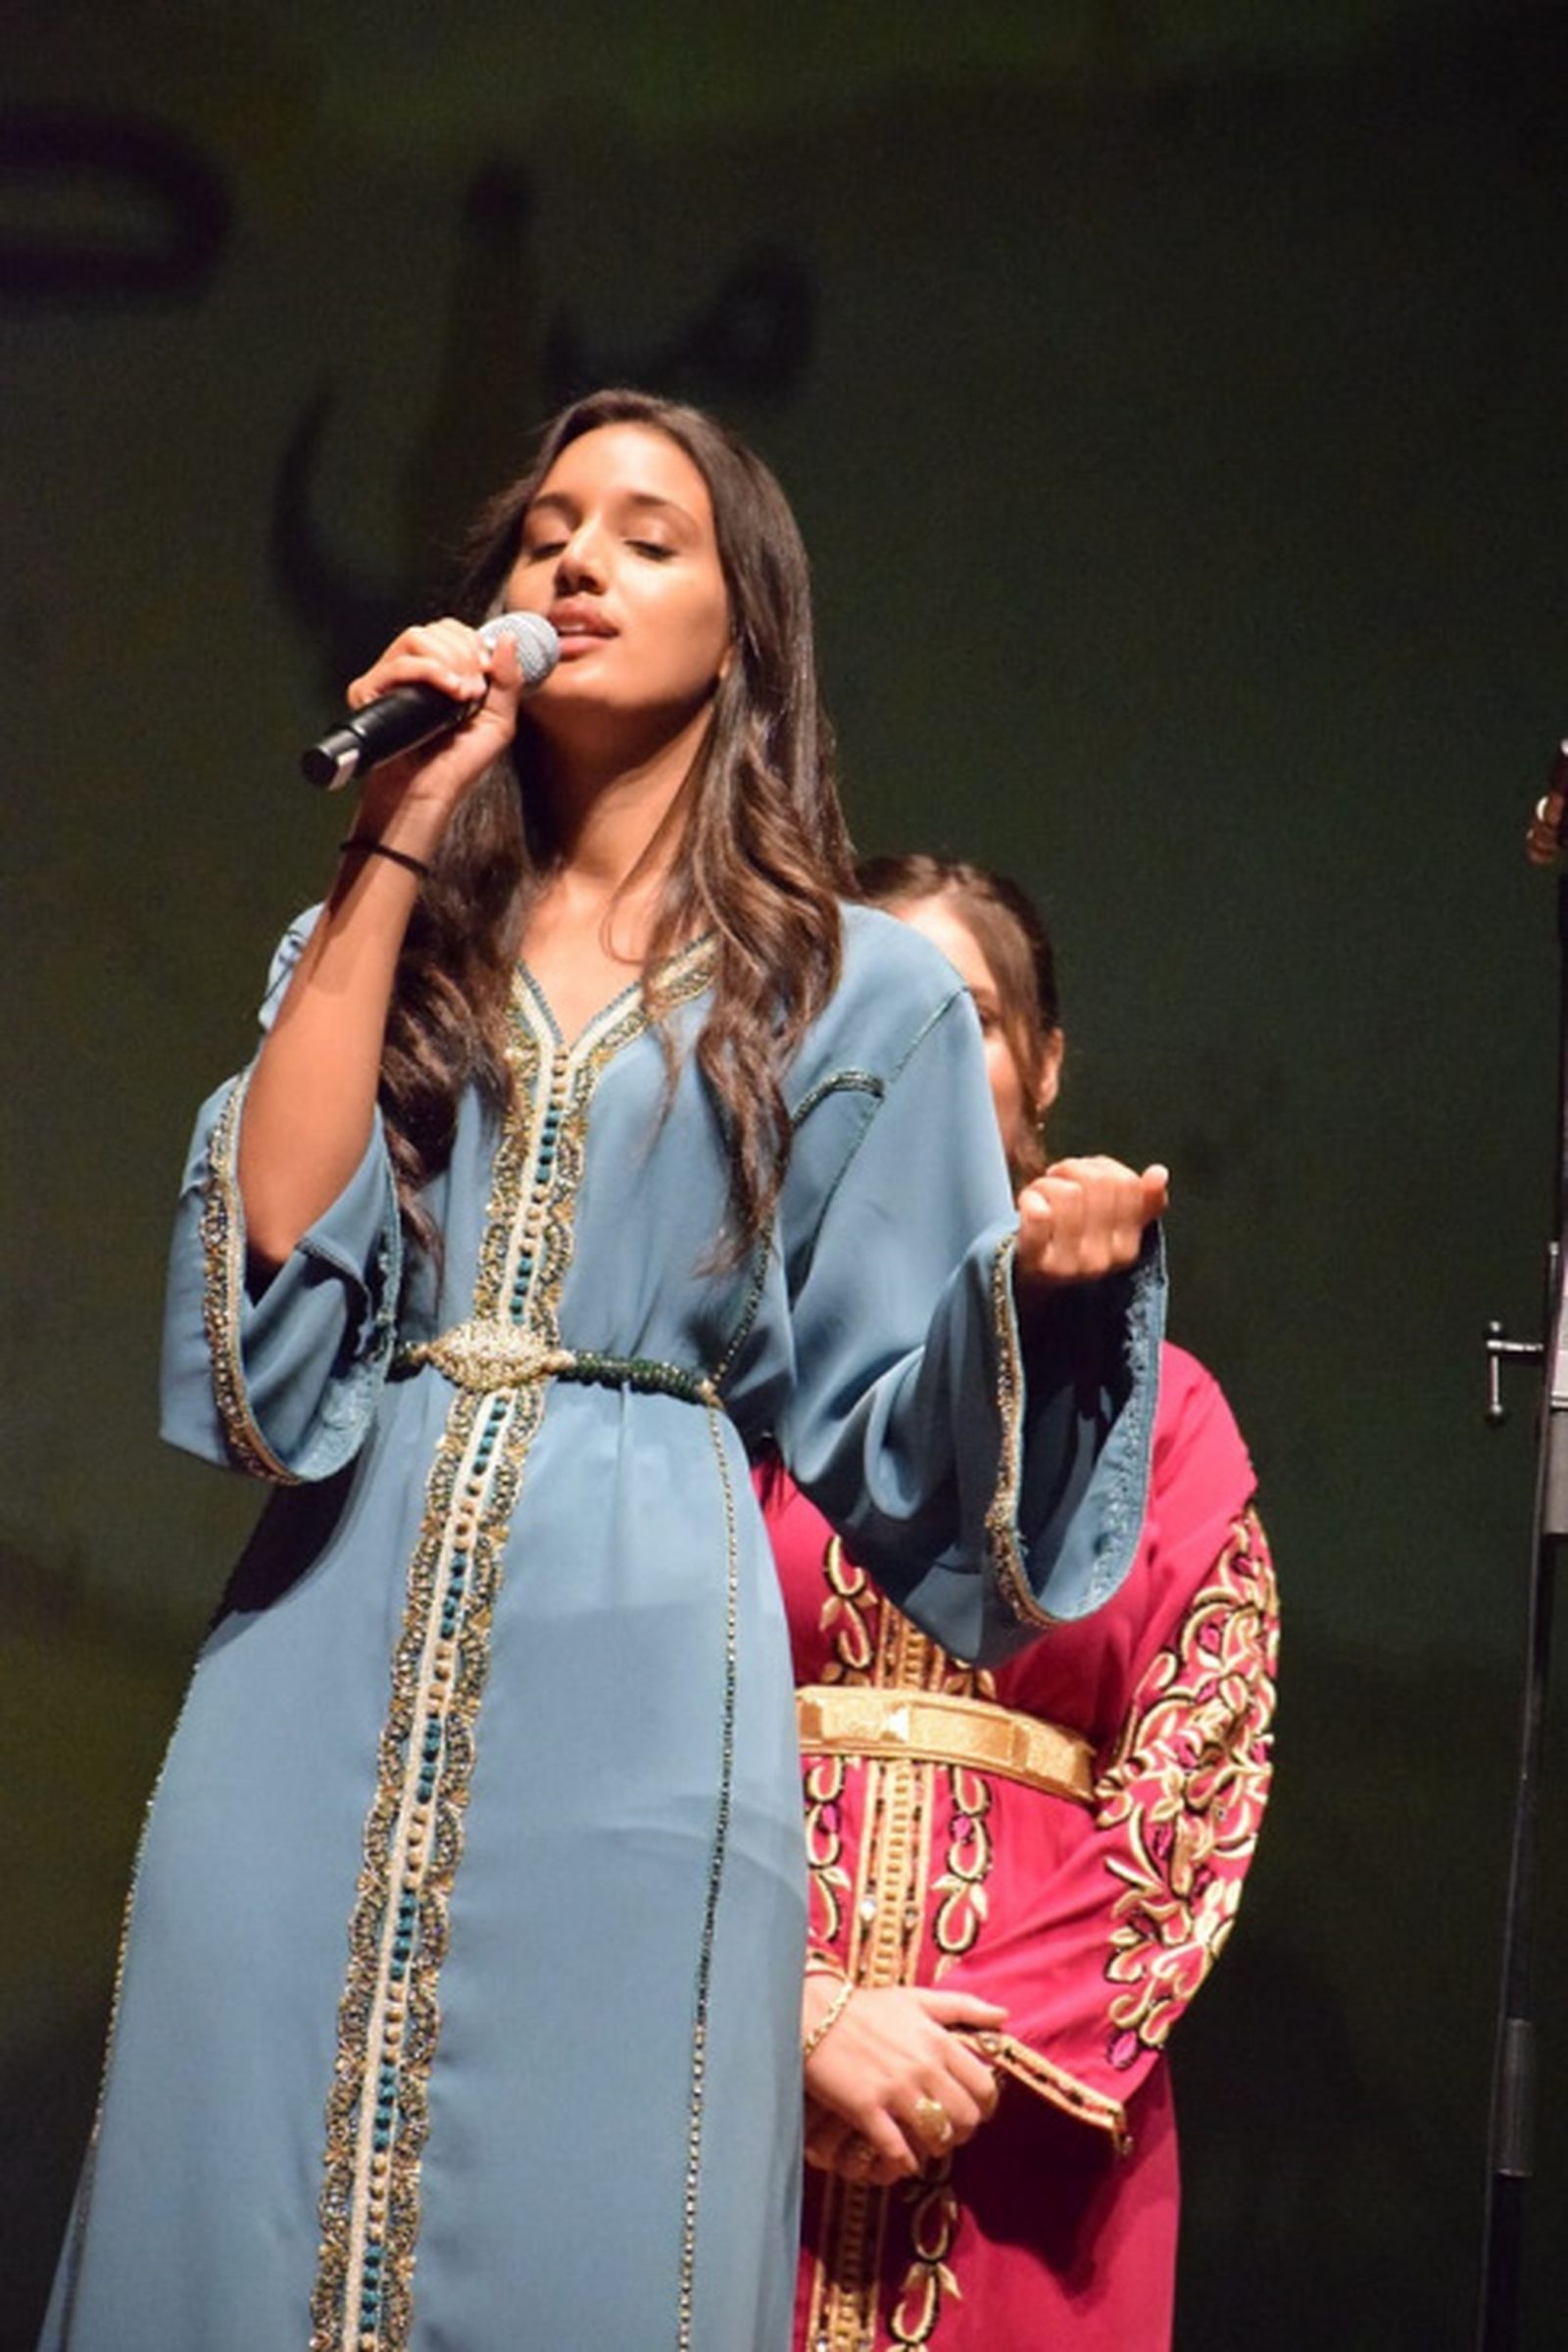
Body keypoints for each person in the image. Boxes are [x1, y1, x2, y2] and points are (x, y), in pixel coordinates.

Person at [41, 396, 1168, 2352]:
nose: (575, 562)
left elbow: (906, 1436)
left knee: (587, 2232)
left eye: (648, 536)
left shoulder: (859, 991)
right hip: (312, 1661)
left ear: (745, 632)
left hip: (641, 1699)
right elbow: (279, 1271)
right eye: (546, 529)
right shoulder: (382, 934)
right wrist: (394, 834)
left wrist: (1051, 1298)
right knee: (236, 2212)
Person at [770, 855, 1278, 2351]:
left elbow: (1193, 1790)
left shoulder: (1167, 1419)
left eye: (969, 1017)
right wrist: (792, 2016)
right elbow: (605, 1744)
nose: (922, 1053)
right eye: (873, 1011)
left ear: (1046, 1064)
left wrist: (949, 2065)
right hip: (720, 2084)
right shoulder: (721, 1391)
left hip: (1023, 2151)